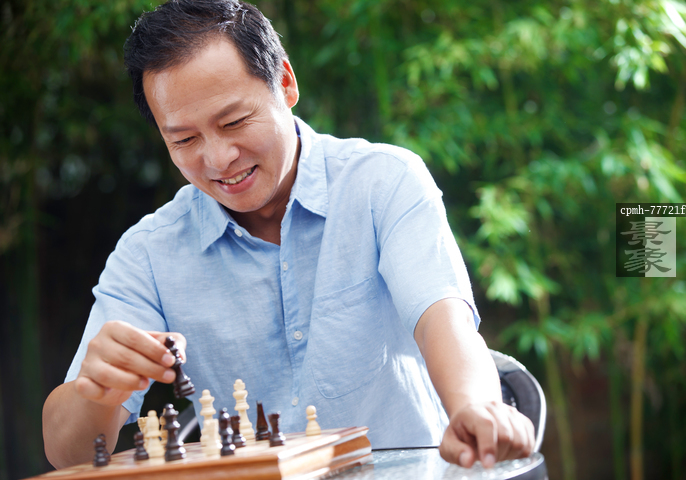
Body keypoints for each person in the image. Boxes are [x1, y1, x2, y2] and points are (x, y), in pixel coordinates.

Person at [42, 0, 534, 470]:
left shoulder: (383, 183)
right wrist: (96, 391)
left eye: (234, 121)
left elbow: (442, 320)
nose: (218, 159)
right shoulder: (149, 254)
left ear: (285, 81)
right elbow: (66, 454)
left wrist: (475, 407)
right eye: (184, 139)